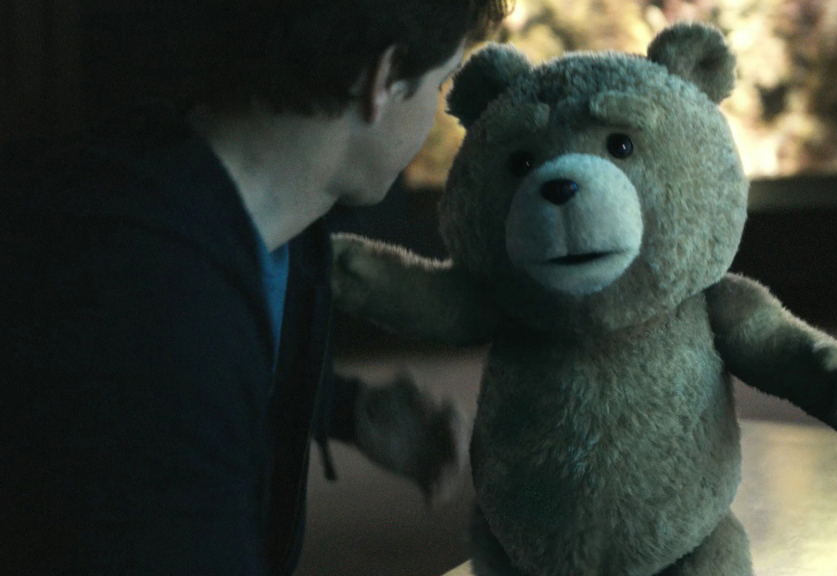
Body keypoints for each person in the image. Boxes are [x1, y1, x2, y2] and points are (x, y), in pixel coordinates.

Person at [0, 1, 509, 574]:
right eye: (439, 86)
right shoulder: (154, 310)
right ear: (385, 79)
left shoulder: (266, 231)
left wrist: (343, 407)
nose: (434, 115)